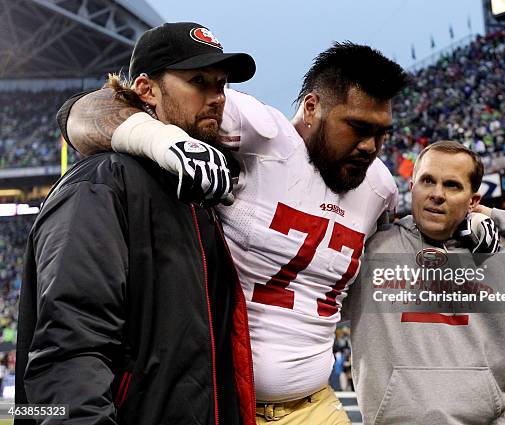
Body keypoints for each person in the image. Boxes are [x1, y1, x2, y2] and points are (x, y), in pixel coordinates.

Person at [56, 34, 411, 423]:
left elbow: (403, 244)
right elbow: (86, 111)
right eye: (357, 127)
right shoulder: (263, 134)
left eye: (381, 133)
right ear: (312, 107)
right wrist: (161, 138)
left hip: (317, 405)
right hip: (226, 402)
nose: (370, 146)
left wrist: (472, 221)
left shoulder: (381, 187)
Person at [15, 22, 257, 425]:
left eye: (221, 84)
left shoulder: (198, 192)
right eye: (199, 81)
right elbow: (69, 349)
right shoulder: (101, 185)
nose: (217, 98)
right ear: (146, 90)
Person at [344, 140, 505, 424]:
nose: (437, 194)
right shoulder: (369, 252)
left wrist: (499, 219)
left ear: (473, 201)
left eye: (452, 185)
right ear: (412, 186)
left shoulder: (503, 264)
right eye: (428, 181)